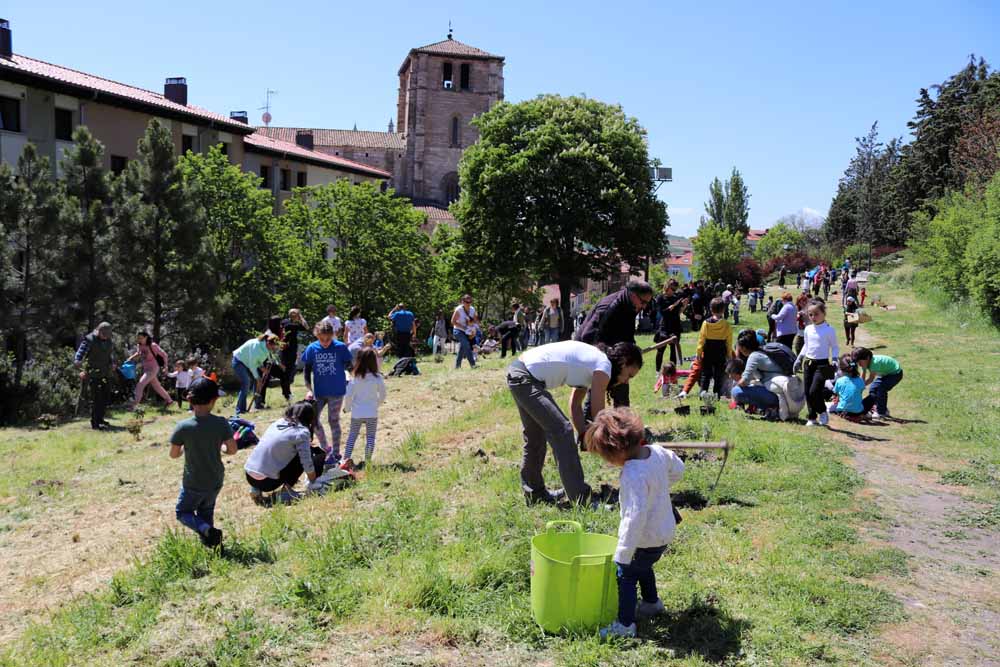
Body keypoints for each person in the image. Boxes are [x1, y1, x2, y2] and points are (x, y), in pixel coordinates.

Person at [585, 408, 685, 640]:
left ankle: (625, 624)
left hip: (647, 535)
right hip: (664, 530)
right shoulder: (657, 452)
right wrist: (659, 485)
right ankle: (651, 603)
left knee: (626, 574)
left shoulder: (632, 474)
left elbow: (634, 517)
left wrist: (623, 552)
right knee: (643, 565)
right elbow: (679, 469)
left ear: (616, 451)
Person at [507, 340, 643, 506]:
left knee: (535, 437)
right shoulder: (603, 365)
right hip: (525, 379)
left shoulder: (592, 365)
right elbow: (600, 416)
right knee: (562, 431)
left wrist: (583, 434)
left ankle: (535, 493)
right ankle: (581, 499)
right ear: (622, 362)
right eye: (629, 375)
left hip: (519, 374)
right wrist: (613, 443)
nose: (626, 381)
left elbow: (575, 404)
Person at [169, 377, 236, 547]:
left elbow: (174, 455)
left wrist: (185, 447)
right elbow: (232, 450)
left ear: (189, 399)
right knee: (206, 513)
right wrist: (221, 448)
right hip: (215, 479)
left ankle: (207, 532)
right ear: (214, 400)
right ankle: (213, 545)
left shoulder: (183, 427)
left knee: (182, 512)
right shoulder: (221, 423)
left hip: (193, 482)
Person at [576, 280, 654, 410]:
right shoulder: (609, 308)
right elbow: (588, 337)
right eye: (643, 302)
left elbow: (626, 333)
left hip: (614, 352)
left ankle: (623, 425)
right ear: (634, 295)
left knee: (622, 386)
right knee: (597, 393)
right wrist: (608, 357)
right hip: (594, 353)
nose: (645, 306)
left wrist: (632, 350)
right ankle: (590, 427)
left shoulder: (631, 305)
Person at [245, 400, 327, 505]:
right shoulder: (302, 432)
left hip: (249, 475)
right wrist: (313, 481)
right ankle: (286, 491)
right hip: (267, 482)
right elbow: (306, 462)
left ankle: (255, 489)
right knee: (306, 453)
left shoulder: (278, 422)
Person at [302, 320, 353, 466]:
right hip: (319, 392)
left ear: (333, 335)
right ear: (316, 336)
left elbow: (350, 365)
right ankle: (326, 448)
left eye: (328, 339)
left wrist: (354, 376)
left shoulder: (340, 347)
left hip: (337, 391)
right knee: (313, 420)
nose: (324, 342)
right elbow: (306, 371)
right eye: (321, 339)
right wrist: (309, 390)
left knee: (333, 420)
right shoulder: (312, 348)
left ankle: (336, 453)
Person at [339, 348, 387, 472]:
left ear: (358, 361)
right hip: (372, 413)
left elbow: (348, 396)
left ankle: (345, 460)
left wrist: (347, 408)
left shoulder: (355, 379)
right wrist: (377, 404)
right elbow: (383, 395)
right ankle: (368, 462)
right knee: (370, 437)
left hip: (357, 414)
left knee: (352, 436)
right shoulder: (378, 378)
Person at [793, 300, 839, 427]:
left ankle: (822, 411)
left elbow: (834, 347)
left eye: (816, 314)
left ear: (824, 313)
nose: (813, 317)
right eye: (810, 314)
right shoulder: (808, 329)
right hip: (808, 363)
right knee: (807, 391)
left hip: (822, 364)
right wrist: (800, 358)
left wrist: (835, 359)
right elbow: (806, 345)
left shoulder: (829, 330)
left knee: (815, 391)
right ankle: (812, 417)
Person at [730, 329, 782, 417]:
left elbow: (744, 382)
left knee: (736, 391)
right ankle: (769, 408)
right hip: (782, 392)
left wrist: (737, 383)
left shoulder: (754, 357)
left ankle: (771, 407)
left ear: (743, 348)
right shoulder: (762, 351)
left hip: (776, 395)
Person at [74, 321, 116, 430]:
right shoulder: (89, 339)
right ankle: (95, 423)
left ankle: (100, 419)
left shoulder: (109, 341)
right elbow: (80, 353)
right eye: (103, 334)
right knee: (97, 398)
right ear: (98, 331)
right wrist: (79, 364)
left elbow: (110, 354)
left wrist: (112, 363)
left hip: (105, 373)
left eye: (107, 335)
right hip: (93, 373)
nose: (105, 337)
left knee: (105, 397)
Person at [231, 333, 281, 416]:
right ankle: (240, 410)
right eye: (273, 347)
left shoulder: (266, 348)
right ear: (268, 343)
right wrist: (257, 378)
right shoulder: (256, 346)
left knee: (257, 382)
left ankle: (257, 405)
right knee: (246, 383)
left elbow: (258, 361)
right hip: (238, 361)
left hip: (247, 362)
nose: (274, 348)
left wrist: (262, 368)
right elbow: (252, 364)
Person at [696, 297, 732, 398]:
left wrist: (699, 352)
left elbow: (701, 339)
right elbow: (729, 342)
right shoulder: (726, 325)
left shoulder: (706, 323)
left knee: (705, 374)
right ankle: (717, 395)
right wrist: (729, 355)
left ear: (711, 309)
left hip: (708, 351)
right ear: (723, 310)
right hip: (721, 351)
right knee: (718, 374)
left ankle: (703, 393)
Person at [127, 331, 173, 410]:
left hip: (153, 369)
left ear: (146, 337)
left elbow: (164, 355)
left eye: (141, 338)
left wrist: (166, 367)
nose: (139, 339)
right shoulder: (140, 345)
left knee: (140, 384)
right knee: (157, 386)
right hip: (146, 369)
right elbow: (139, 353)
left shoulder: (153, 345)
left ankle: (134, 405)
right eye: (138, 338)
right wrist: (130, 358)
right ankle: (169, 401)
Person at [853, 347, 903, 419]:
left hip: (895, 374)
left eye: (860, 362)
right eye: (858, 362)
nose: (859, 364)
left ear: (867, 358)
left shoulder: (874, 363)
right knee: (873, 388)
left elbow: (870, 379)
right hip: (886, 374)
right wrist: (860, 386)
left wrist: (861, 386)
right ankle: (879, 407)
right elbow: (863, 375)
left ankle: (881, 412)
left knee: (881, 389)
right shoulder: (865, 363)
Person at [651, 279, 687, 372]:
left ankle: (672, 372)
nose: (674, 291)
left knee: (673, 350)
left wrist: (684, 306)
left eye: (675, 289)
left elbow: (678, 313)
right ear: (667, 287)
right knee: (660, 350)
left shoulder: (676, 298)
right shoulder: (660, 298)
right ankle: (657, 371)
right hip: (665, 327)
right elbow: (662, 313)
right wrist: (671, 307)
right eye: (673, 289)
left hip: (675, 326)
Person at [279, 308, 309, 401]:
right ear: (290, 315)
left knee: (290, 370)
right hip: (285, 350)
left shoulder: (294, 324)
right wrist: (300, 318)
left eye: (296, 315)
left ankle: (287, 392)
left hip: (292, 350)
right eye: (294, 314)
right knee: (286, 372)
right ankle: (287, 393)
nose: (294, 316)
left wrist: (300, 317)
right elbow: (306, 327)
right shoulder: (288, 323)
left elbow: (306, 327)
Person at [829, 354, 866, 419]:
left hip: (842, 411)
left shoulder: (839, 381)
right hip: (858, 411)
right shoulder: (860, 380)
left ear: (841, 369)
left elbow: (837, 396)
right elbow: (859, 393)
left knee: (830, 406)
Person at [451, 294, 478, 369]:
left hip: (468, 331)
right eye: (467, 302)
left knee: (462, 349)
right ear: (462, 302)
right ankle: (473, 365)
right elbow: (453, 321)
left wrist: (474, 330)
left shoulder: (472, 309)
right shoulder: (458, 309)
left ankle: (457, 366)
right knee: (466, 345)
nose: (469, 304)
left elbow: (475, 321)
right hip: (458, 330)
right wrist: (464, 327)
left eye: (470, 302)